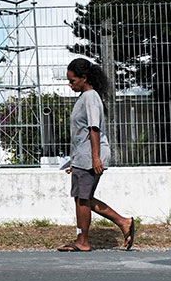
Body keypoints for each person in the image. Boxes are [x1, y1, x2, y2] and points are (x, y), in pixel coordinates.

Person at [57, 57, 135, 252]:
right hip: (83, 156)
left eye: (73, 80)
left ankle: (83, 241)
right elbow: (81, 133)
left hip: (91, 155)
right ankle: (123, 222)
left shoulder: (91, 97)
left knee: (83, 198)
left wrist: (95, 157)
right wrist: (74, 161)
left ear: (84, 78)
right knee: (83, 198)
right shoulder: (84, 97)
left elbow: (94, 128)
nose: (70, 84)